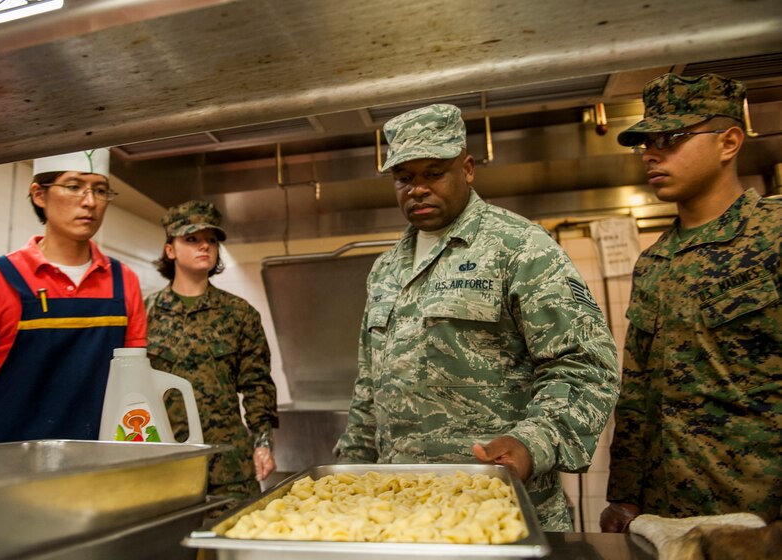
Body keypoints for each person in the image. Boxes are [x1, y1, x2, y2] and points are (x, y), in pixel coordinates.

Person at [333, 104, 620, 531]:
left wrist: (530, 443)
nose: (417, 189)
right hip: (401, 514)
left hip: (501, 509)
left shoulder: (519, 247)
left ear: (467, 168)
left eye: (433, 173)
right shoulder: (386, 269)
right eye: (404, 178)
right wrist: (348, 475)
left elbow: (585, 365)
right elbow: (369, 388)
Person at [601, 73, 782, 532]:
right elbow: (637, 393)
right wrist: (624, 497)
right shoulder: (654, 262)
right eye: (646, 142)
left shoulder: (774, 234)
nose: (652, 153)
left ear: (729, 142)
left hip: (761, 516)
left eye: (673, 138)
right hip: (671, 518)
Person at [0, 148, 147, 446]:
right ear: (39, 194)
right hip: (12, 472)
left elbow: (133, 390)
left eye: (100, 190)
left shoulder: (124, 281)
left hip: (103, 472)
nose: (89, 202)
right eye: (73, 186)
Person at [146, 200, 279, 502]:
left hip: (229, 467)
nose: (204, 246)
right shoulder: (145, 314)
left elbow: (257, 386)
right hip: (165, 464)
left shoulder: (239, 314)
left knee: (232, 545)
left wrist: (263, 443)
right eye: (191, 239)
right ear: (170, 249)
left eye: (212, 240)